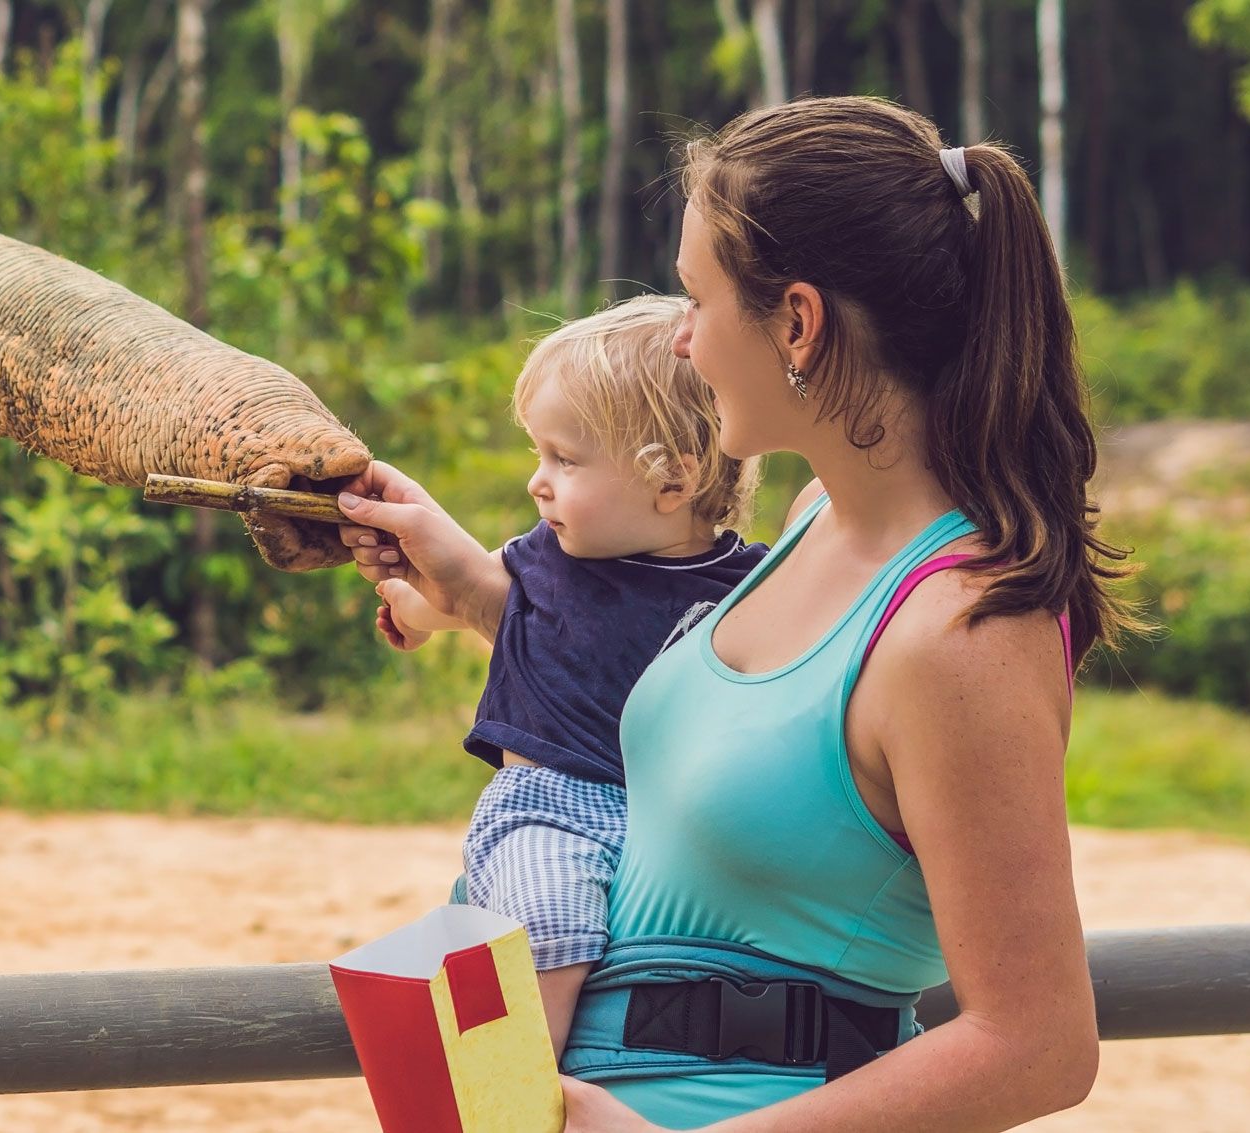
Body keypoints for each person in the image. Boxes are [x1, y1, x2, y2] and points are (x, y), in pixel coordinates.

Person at [343, 94, 1127, 1130]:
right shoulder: (811, 525)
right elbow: (748, 747)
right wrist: (472, 587)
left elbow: (1034, 1044)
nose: (679, 343)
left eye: (695, 301)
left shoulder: (962, 632)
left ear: (796, 322)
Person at [349, 293, 768, 1054]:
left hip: (672, 818)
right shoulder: (544, 560)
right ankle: (524, 1088)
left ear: (673, 482)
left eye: (565, 460)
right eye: (541, 455)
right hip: (552, 809)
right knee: (551, 924)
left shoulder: (750, 585)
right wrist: (405, 609)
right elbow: (456, 596)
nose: (538, 483)